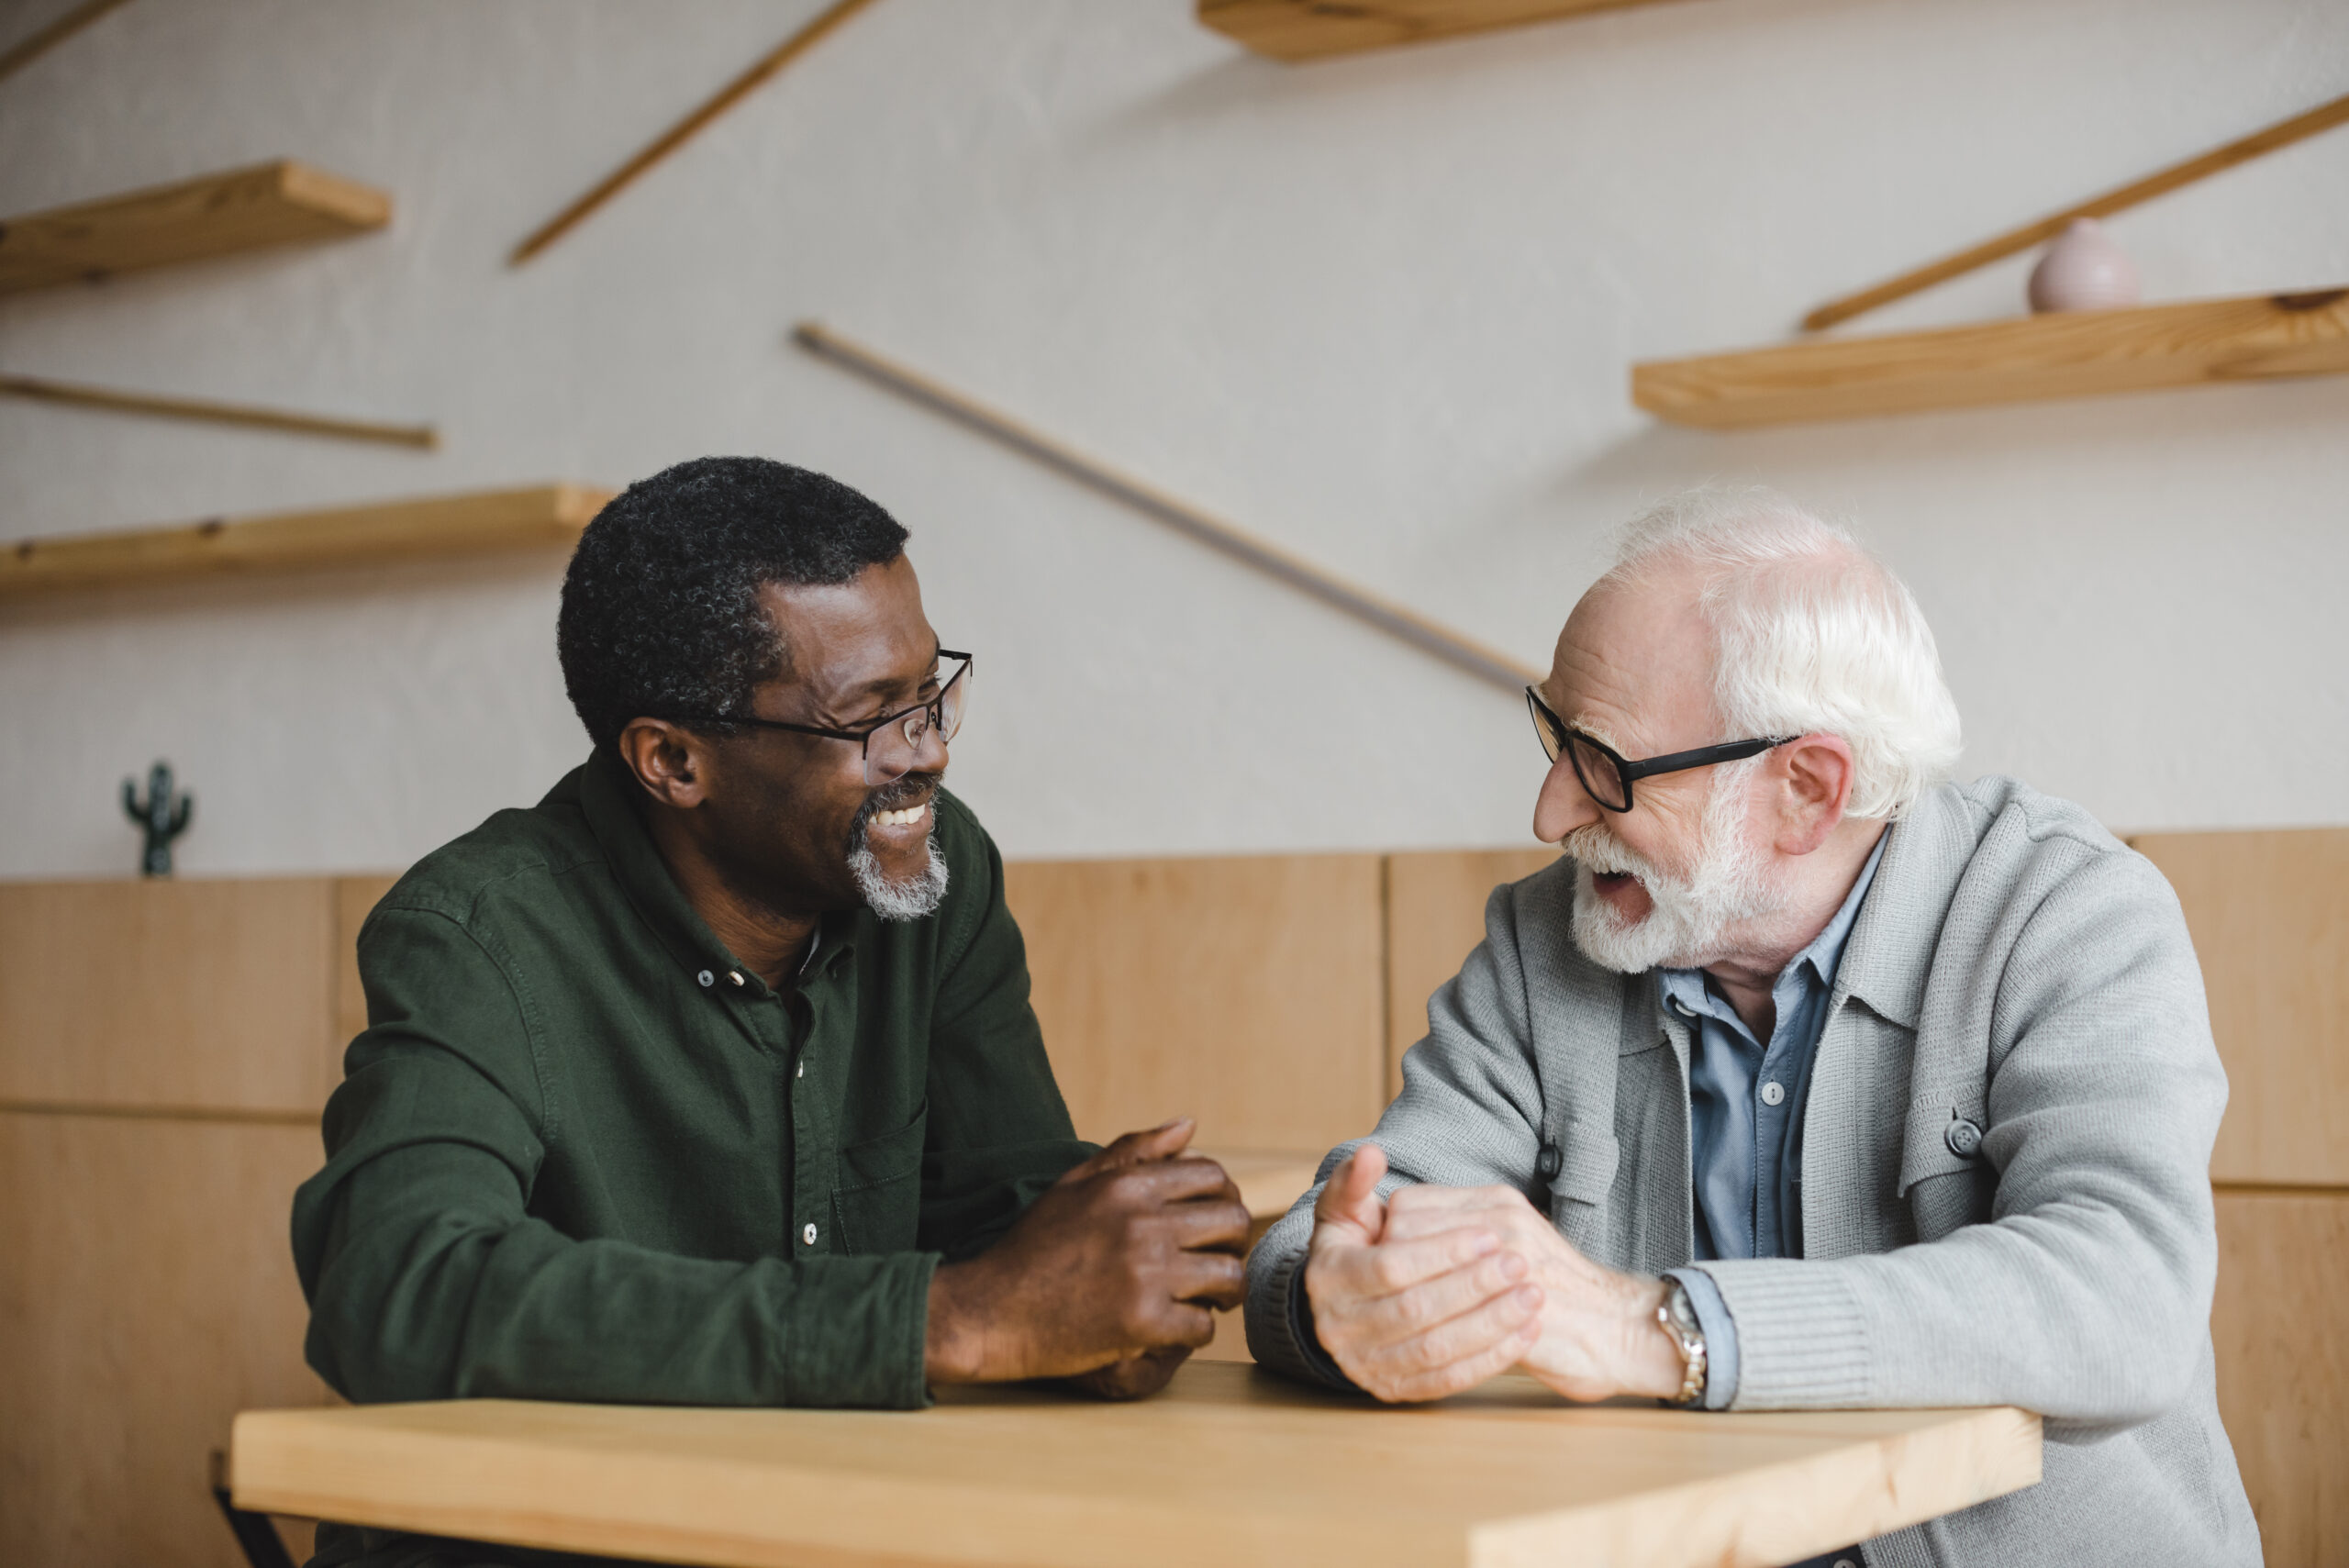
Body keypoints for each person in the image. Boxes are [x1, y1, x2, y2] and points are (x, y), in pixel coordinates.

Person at [1243, 490, 2260, 1568]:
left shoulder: (2064, 908)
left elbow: (2123, 1293)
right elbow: (1333, 1234)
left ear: (1805, 789)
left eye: (1605, 765)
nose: (1550, 812)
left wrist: (1652, 1327)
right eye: (1555, 738)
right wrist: (1335, 1303)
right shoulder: (1550, 936)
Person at [295, 457, 1250, 1568]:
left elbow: (1005, 1209)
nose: (928, 749)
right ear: (673, 760)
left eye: (932, 690)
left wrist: (1111, 1293)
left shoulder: (936, 873)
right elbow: (396, 1288)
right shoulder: (478, 932)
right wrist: (948, 1319)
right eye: (870, 717)